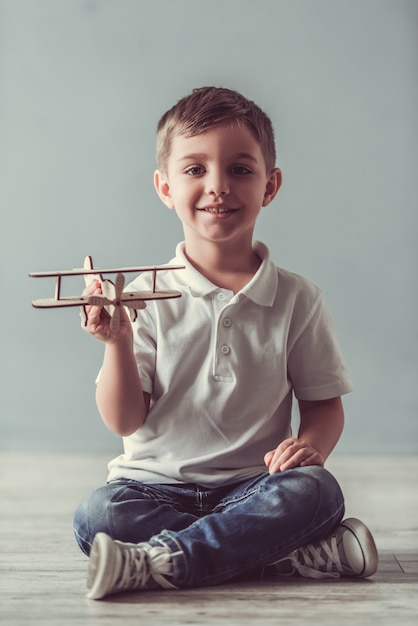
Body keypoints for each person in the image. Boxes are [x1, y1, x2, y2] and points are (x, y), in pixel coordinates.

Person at [73, 86, 378, 601]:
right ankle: (279, 556)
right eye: (195, 170)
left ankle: (164, 560)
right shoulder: (142, 296)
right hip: (150, 487)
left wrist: (312, 447)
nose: (218, 186)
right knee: (98, 514)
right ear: (165, 187)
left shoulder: (299, 299)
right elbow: (124, 421)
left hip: (254, 486)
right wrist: (118, 342)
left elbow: (324, 406)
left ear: (270, 185)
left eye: (240, 169)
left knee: (317, 491)